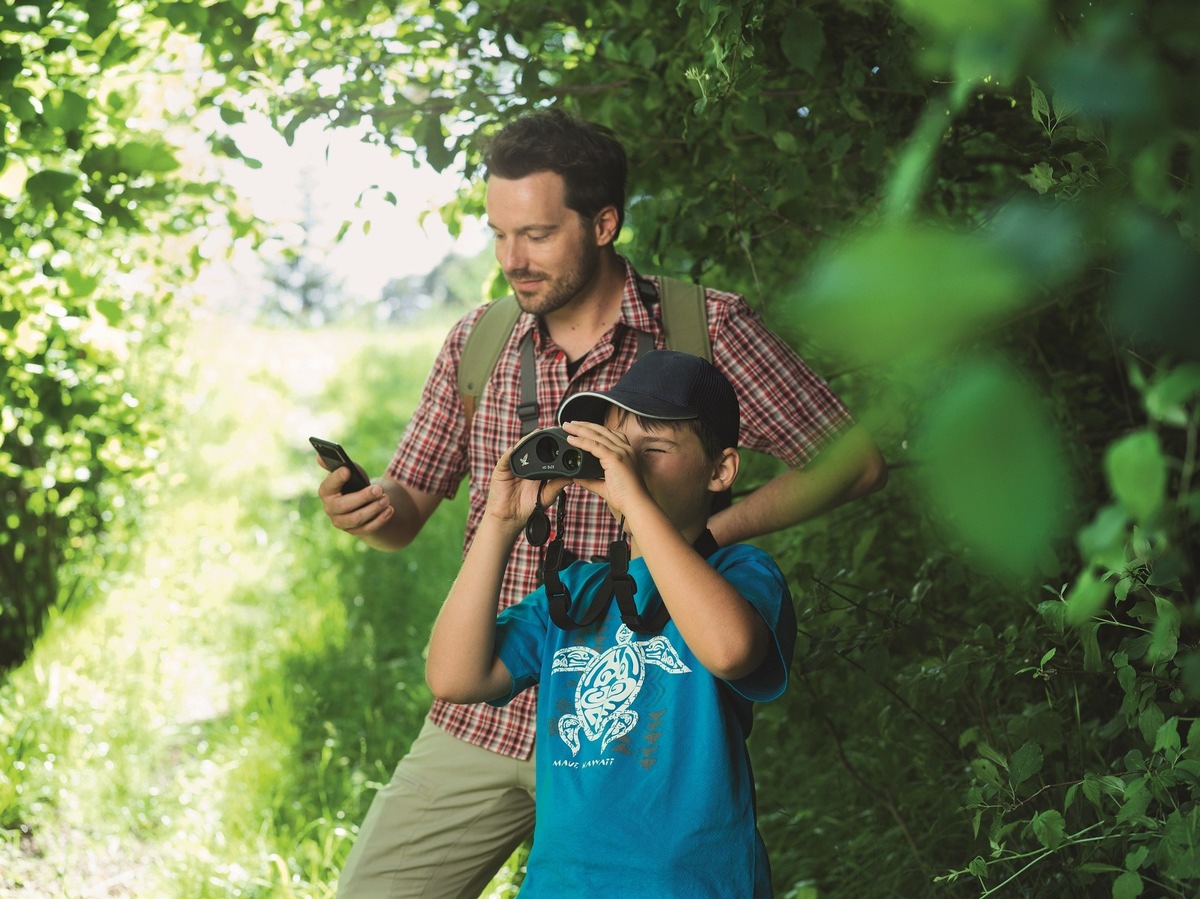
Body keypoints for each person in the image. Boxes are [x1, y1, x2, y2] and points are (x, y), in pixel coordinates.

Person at [319, 108, 887, 898]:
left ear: (604, 223)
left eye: (538, 235)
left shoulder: (705, 329)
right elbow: (409, 502)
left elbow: (850, 462)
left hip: (648, 728)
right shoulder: (478, 342)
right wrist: (372, 507)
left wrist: (706, 533)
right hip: (500, 692)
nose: (512, 260)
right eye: (498, 234)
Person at [425, 350, 795, 896]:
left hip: (691, 884)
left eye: (654, 449)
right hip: (562, 884)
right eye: (618, 448)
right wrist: (500, 523)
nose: (628, 464)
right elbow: (454, 678)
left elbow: (730, 650)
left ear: (720, 470)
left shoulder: (741, 574)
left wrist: (633, 499)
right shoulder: (578, 591)